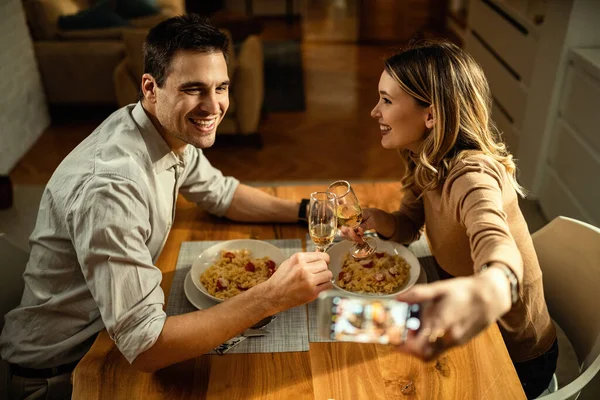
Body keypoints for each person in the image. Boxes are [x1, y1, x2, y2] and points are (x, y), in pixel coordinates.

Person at [0, 15, 332, 399]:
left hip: (107, 338)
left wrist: (308, 211)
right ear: (150, 87)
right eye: (194, 89)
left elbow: (221, 193)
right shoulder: (111, 189)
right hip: (62, 373)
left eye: (221, 87)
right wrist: (272, 296)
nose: (213, 106)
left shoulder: (165, 127)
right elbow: (147, 346)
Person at [345, 40, 558, 399]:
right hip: (464, 320)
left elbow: (495, 241)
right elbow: (410, 226)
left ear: (431, 115)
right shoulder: (423, 157)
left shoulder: (472, 175)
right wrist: (380, 219)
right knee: (349, 332)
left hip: (515, 356)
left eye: (386, 100)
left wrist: (490, 288)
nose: (373, 112)